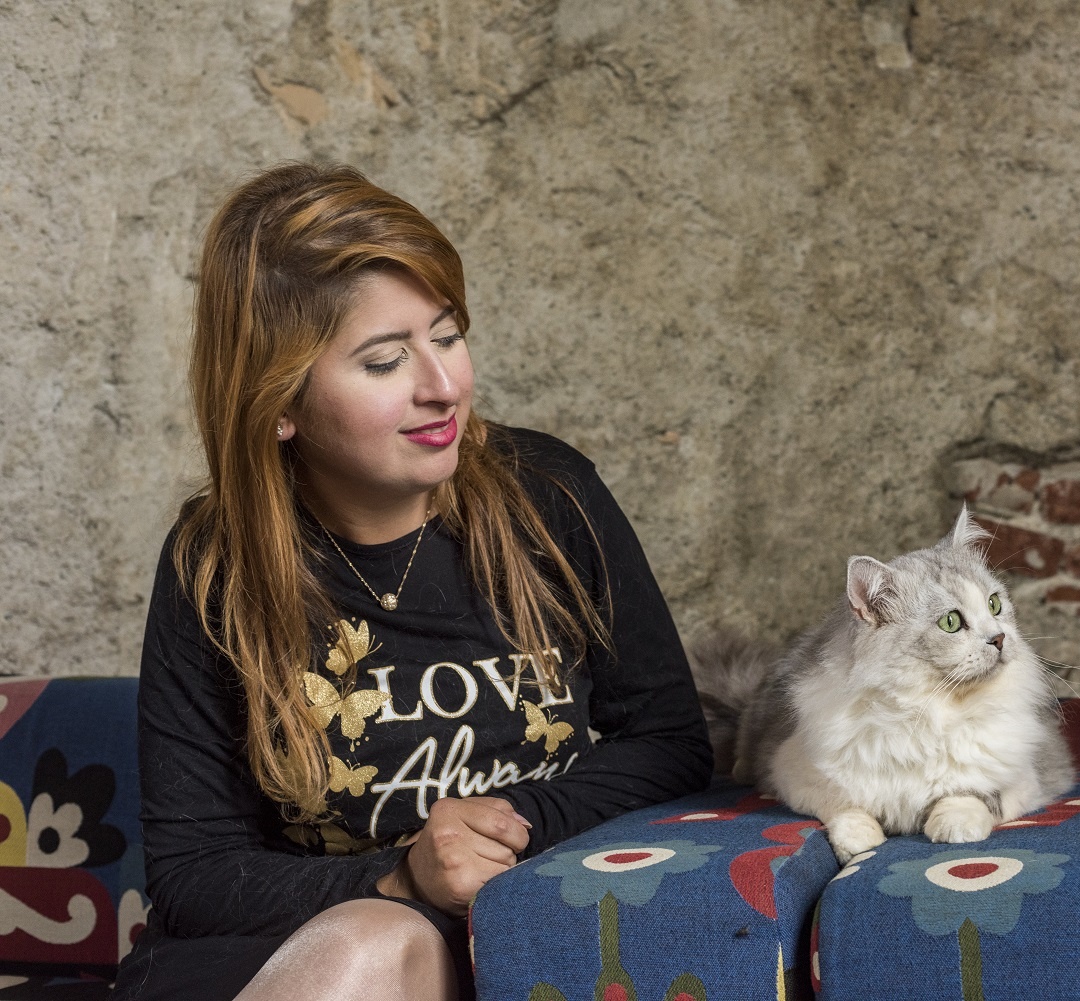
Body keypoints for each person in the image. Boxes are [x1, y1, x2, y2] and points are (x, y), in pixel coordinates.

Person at [111, 163, 714, 1001]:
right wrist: (402, 876)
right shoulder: (212, 564)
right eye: (386, 360)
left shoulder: (550, 498)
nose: (443, 388)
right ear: (278, 402)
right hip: (278, 952)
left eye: (448, 336)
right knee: (376, 939)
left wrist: (510, 827)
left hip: (505, 935)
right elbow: (194, 872)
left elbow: (672, 742)